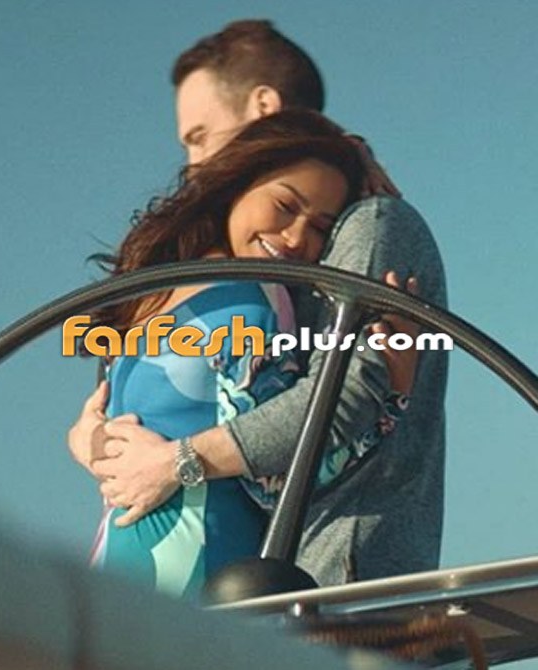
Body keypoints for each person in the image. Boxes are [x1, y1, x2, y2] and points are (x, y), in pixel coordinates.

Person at [70, 20, 447, 587]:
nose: (194, 161)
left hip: (332, 569)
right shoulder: (211, 274)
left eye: (200, 135)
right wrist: (90, 436)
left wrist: (176, 463)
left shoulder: (366, 223)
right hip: (221, 563)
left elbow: (342, 400)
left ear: (265, 106)